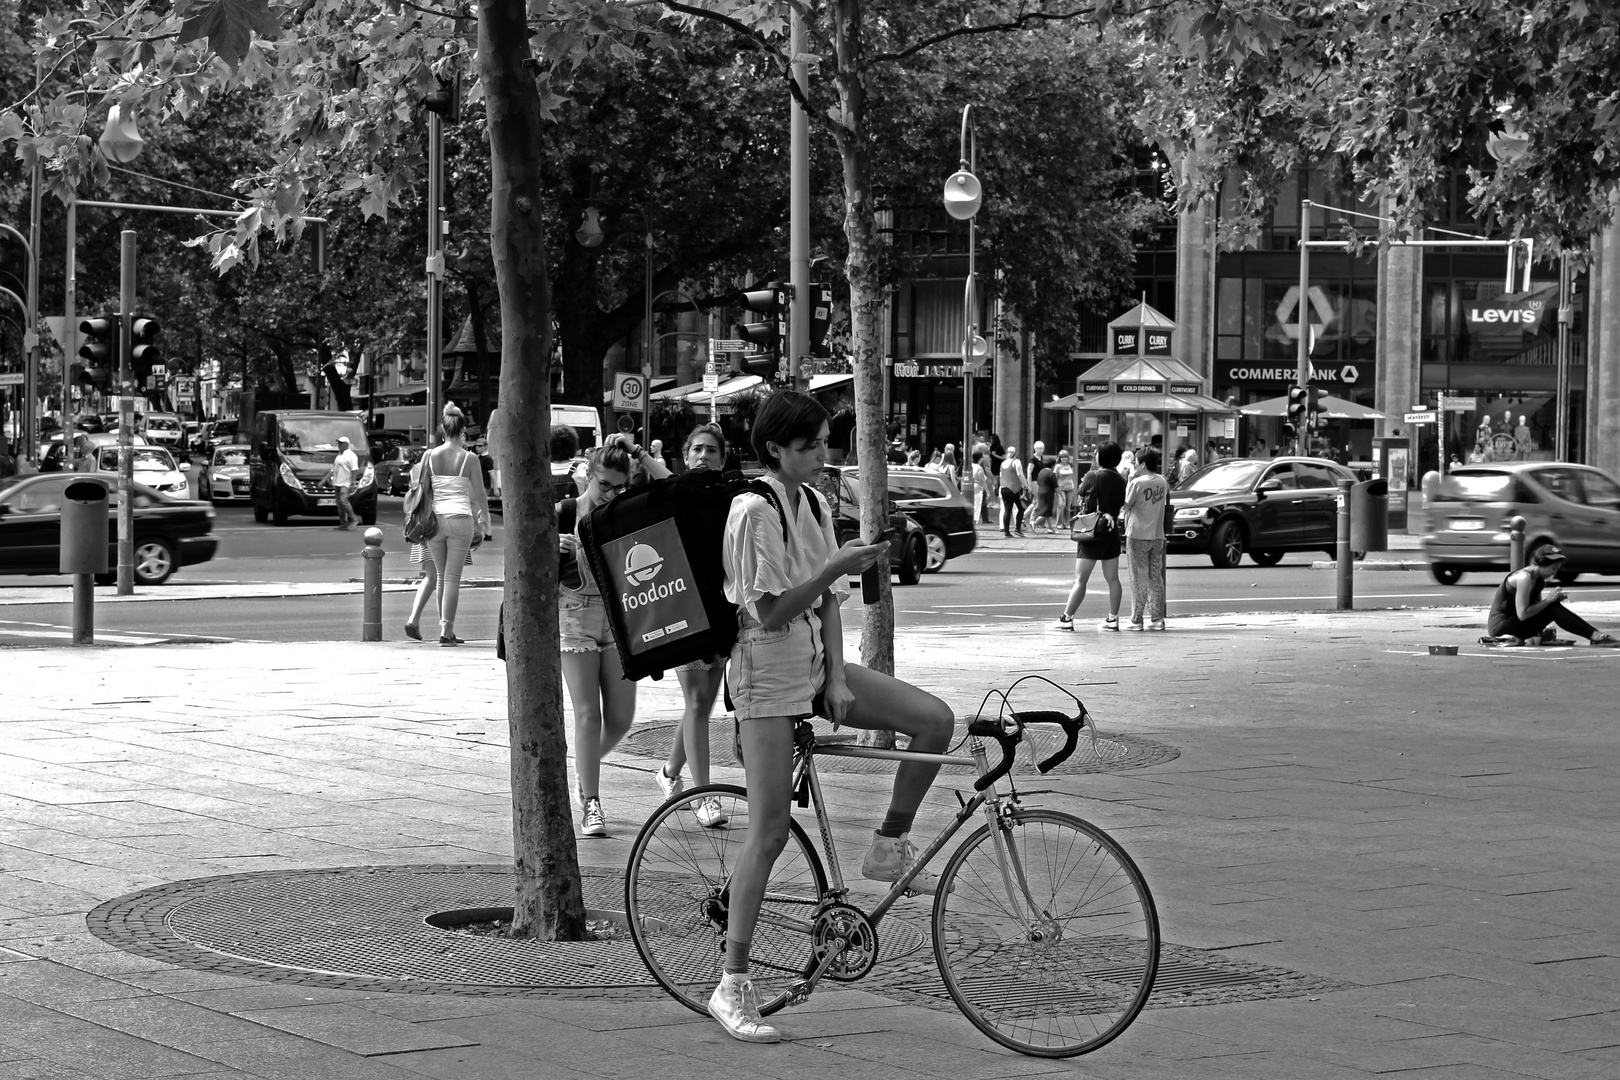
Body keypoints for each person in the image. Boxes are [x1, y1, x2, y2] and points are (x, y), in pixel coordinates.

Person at [707, 390, 954, 1043]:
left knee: (934, 722)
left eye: (824, 442)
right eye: (810, 445)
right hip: (764, 673)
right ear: (775, 451)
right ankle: (731, 986)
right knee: (768, 831)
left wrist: (840, 678)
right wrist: (835, 568)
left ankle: (888, 846)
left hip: (814, 665)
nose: (823, 454)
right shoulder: (750, 512)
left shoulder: (813, 501)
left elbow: (833, 604)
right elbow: (767, 612)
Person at [558, 440, 641, 837]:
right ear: (588, 476)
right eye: (605, 485)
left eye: (619, 487)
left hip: (616, 614)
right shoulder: (565, 512)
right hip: (572, 612)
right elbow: (526, 561)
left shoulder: (622, 515)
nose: (611, 494)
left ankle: (582, 770)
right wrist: (551, 546)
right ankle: (592, 801)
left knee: (622, 717)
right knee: (588, 713)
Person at [654, 424, 731, 828]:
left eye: (711, 451)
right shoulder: (675, 493)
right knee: (699, 703)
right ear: (685, 457)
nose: (703, 456)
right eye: (697, 449)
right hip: (684, 608)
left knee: (701, 703)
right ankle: (705, 795)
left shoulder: (729, 498)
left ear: (722, 458)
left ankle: (669, 774)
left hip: (721, 609)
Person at [422, 406, 490, 645]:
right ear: (462, 431)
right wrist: (486, 521)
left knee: (441, 577)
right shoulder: (469, 458)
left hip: (434, 522)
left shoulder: (428, 456)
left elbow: (422, 490)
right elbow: (480, 494)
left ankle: (445, 630)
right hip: (460, 519)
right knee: (452, 578)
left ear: (443, 430)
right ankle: (446, 631)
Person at [1056, 442, 1126, 632]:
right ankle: (1113, 619)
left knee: (1080, 580)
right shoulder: (1121, 480)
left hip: (1091, 532)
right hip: (1111, 533)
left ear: (1100, 456)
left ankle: (1067, 618)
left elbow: (1080, 497)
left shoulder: (1092, 476)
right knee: (1113, 579)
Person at [1486, 546, 1617, 646]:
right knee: (1552, 607)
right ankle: (1596, 636)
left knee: (1552, 606)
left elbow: (1536, 608)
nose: (1553, 574)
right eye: (1553, 568)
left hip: (1516, 625)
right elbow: (1523, 614)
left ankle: (1595, 636)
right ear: (1542, 563)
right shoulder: (1524, 577)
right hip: (1501, 629)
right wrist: (1549, 600)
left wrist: (1553, 600)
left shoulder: (1539, 580)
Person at [1122, 447, 1170, 631]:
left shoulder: (1137, 483)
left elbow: (1126, 505)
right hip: (1157, 535)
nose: (1134, 464)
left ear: (1142, 464)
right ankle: (1157, 618)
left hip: (1137, 534)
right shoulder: (1162, 481)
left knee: (1138, 577)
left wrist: (1129, 481)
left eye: (1136, 462)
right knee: (1155, 576)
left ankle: (1136, 619)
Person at [328, 435, 359, 530]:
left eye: (341, 443)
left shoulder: (351, 455)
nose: (339, 445)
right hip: (337, 483)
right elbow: (332, 470)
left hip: (346, 483)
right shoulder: (339, 456)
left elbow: (354, 470)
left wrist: (353, 483)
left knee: (343, 500)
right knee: (339, 504)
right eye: (338, 443)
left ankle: (353, 518)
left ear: (346, 444)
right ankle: (343, 523)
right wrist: (324, 480)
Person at [998, 445, 1025, 536]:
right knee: (1021, 508)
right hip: (1014, 488)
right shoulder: (1016, 461)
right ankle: (1017, 529)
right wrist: (1026, 485)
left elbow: (1001, 476)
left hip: (1004, 488)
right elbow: (1020, 474)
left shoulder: (1003, 463)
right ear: (1015, 453)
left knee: (1007, 510)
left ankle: (1006, 532)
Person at [1032, 457, 1058, 533]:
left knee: (1047, 511)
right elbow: (1056, 486)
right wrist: (1061, 496)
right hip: (1048, 493)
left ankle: (1050, 528)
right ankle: (1035, 522)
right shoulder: (1051, 473)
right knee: (1046, 510)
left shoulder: (1041, 471)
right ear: (1053, 465)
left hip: (1040, 492)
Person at [1054, 449, 1077, 525]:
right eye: (1062, 457)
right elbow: (1055, 477)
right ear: (1059, 458)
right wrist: (1055, 488)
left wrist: (1075, 486)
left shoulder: (1070, 465)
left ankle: (1066, 523)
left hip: (1070, 488)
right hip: (1061, 488)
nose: (1064, 458)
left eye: (1065, 457)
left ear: (1068, 457)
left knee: (1068, 507)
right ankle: (1059, 523)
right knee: (1061, 505)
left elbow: (1073, 476)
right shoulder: (1058, 466)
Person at [972, 451, 994, 523]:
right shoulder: (979, 468)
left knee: (975, 503)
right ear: (980, 459)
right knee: (978, 504)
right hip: (978, 487)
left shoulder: (971, 466)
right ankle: (976, 520)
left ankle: (983, 519)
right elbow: (982, 481)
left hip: (971, 487)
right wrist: (988, 492)